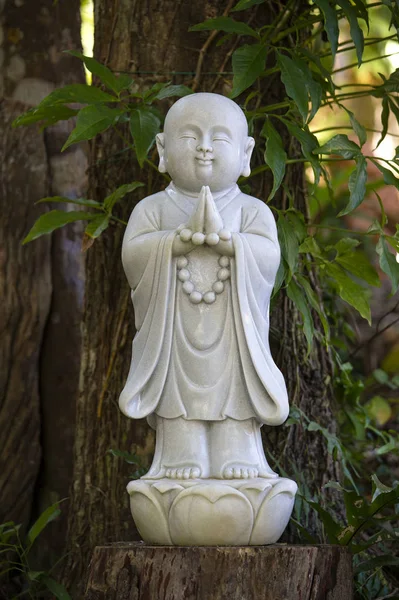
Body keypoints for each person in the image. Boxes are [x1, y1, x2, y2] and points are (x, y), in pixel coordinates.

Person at [119, 92, 288, 480]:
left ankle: (238, 452)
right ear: (162, 148)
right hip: (174, 334)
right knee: (178, 394)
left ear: (246, 154)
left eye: (220, 138)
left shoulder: (252, 211)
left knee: (236, 391)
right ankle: (180, 455)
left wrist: (232, 243)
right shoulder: (152, 210)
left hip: (233, 334)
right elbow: (134, 256)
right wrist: (174, 242)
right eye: (190, 137)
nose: (205, 149)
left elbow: (268, 257)